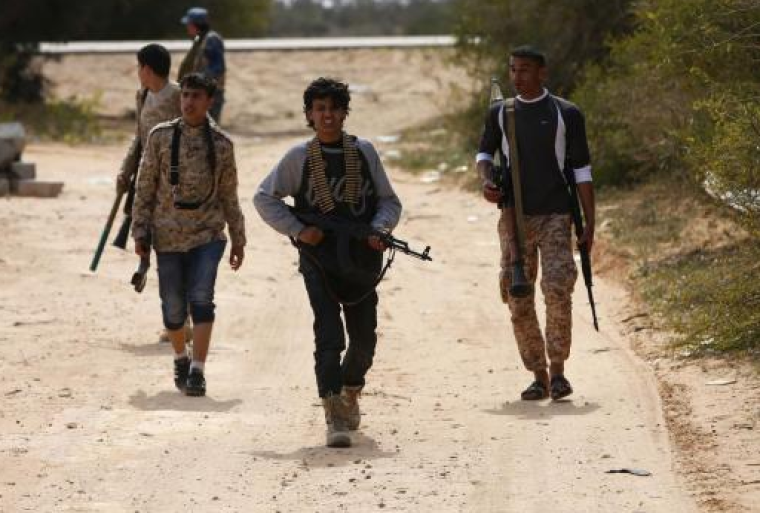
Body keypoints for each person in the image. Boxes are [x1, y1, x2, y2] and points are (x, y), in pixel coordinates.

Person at [254, 77, 402, 448]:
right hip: (318, 259)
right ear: (309, 114)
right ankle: (333, 408)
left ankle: (351, 389)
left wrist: (379, 229)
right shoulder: (300, 158)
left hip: (361, 259)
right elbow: (264, 199)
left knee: (364, 338)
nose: (327, 116)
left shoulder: (363, 153)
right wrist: (299, 230)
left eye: (334, 108)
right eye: (319, 109)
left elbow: (388, 201)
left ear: (344, 112)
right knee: (329, 333)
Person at [476, 46, 595, 401]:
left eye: (525, 70)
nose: (517, 77)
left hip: (557, 215)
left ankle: (558, 371)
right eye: (513, 70)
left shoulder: (566, 113)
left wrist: (590, 223)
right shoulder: (500, 112)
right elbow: (484, 154)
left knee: (558, 289)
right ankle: (538, 375)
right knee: (518, 294)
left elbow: (582, 170)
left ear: (542, 73)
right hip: (514, 217)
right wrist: (486, 180)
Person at [132, 72, 246, 397]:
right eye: (185, 96)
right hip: (166, 235)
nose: (189, 102)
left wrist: (238, 237)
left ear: (210, 101)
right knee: (172, 308)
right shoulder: (160, 137)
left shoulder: (222, 145)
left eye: (197, 96)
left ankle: (198, 370)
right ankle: (181, 358)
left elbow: (229, 195)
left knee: (201, 298)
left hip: (207, 235)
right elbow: (145, 187)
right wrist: (140, 231)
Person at [115, 43, 193, 345]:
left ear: (147, 68)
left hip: (175, 185)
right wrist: (126, 171)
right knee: (152, 245)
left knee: (177, 249)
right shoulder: (142, 95)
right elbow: (139, 139)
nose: (138, 73)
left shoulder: (178, 95)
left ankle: (182, 319)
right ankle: (177, 317)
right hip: (147, 183)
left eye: (139, 67)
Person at [178, 7, 226, 123]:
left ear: (196, 24)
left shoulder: (211, 39)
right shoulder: (200, 40)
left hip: (208, 94)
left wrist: (201, 81)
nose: (187, 27)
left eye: (189, 24)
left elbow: (218, 67)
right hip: (198, 93)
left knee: (209, 129)